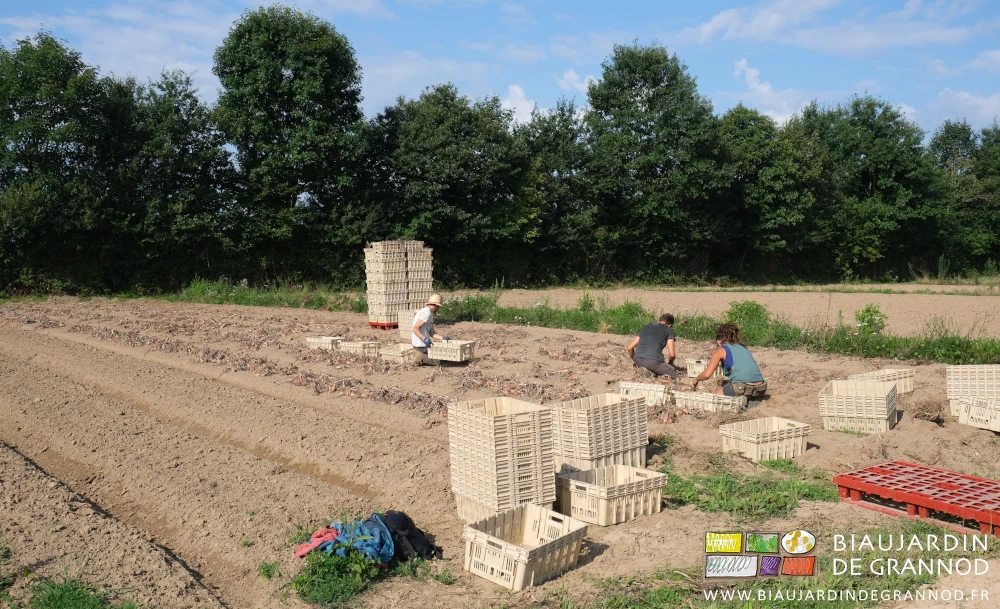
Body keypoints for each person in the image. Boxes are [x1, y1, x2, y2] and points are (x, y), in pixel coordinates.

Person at [691, 322, 767, 400]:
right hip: (761, 388)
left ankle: (742, 399)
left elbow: (707, 374)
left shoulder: (721, 350)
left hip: (742, 387)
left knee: (713, 398)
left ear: (718, 341)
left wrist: (696, 380)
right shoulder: (744, 349)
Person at [626, 313, 678, 379]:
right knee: (674, 374)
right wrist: (670, 363)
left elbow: (629, 348)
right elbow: (672, 354)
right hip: (653, 362)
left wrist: (636, 361)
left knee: (651, 366)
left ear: (658, 321)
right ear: (670, 325)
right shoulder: (668, 330)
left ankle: (645, 369)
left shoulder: (646, 327)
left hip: (638, 360)